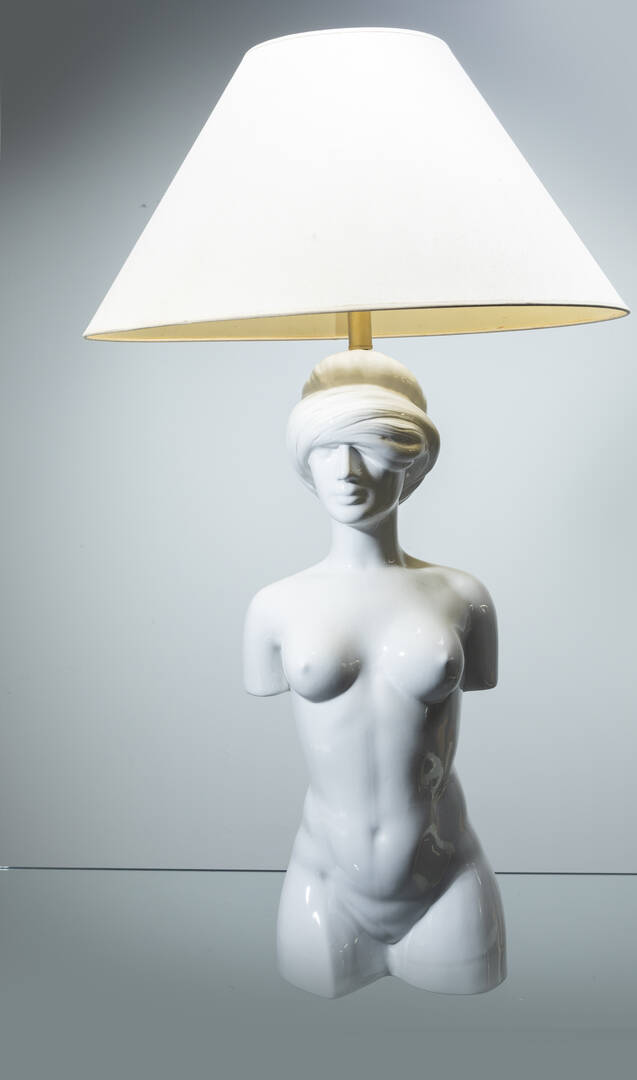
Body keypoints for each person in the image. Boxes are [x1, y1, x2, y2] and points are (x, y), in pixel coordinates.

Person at [244, 349, 506, 997]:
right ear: (304, 461)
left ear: (412, 461)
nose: (348, 472)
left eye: (371, 448)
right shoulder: (275, 606)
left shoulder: (462, 597)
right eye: (326, 449)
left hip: (446, 877)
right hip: (324, 885)